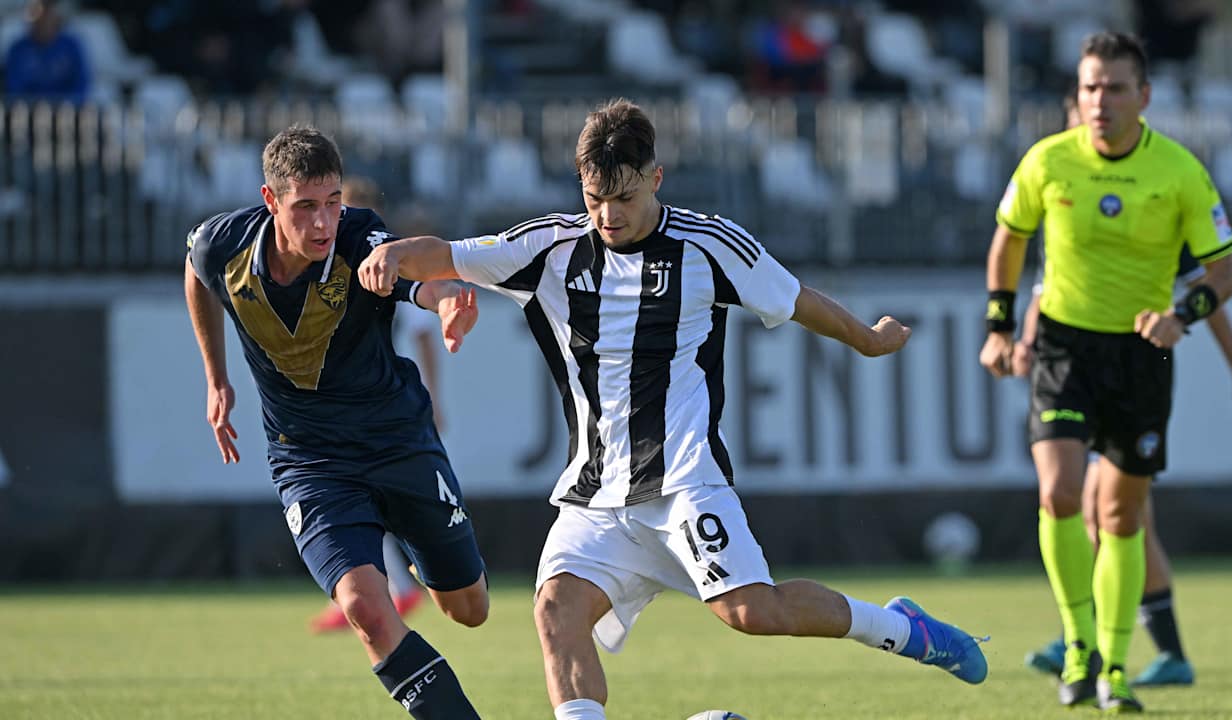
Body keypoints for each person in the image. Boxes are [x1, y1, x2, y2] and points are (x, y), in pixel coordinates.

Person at [357, 98, 989, 720]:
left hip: (684, 482)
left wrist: (868, 339)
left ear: (656, 179)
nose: (607, 214)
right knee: (555, 610)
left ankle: (901, 629)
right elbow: (449, 254)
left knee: (753, 612)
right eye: (594, 197)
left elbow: (797, 300)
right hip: (595, 494)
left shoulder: (709, 245)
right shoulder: (548, 249)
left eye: (625, 198)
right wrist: (390, 253)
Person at [185, 125, 488, 719]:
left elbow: (412, 278)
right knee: (366, 609)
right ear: (270, 201)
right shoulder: (224, 244)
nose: (323, 223)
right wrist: (215, 377)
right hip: (310, 459)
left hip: (397, 441)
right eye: (305, 207)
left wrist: (448, 297)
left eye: (331, 203)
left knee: (467, 608)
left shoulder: (358, 238)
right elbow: (197, 272)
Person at [980, 32, 1232, 712]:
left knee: (1122, 518)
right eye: (1091, 87)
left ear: (1144, 97)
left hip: (1140, 357)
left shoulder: (1180, 170)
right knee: (1061, 493)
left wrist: (1184, 315)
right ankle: (1077, 643)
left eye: (1115, 88)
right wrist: (1001, 326)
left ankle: (1117, 669)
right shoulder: (1047, 160)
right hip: (1065, 350)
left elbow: (1223, 271)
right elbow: (1009, 239)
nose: (1100, 101)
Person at [1017, 95, 1232, 688]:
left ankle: (1140, 646)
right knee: (1098, 511)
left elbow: (1209, 294)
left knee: (1120, 516)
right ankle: (1095, 638)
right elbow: (1041, 290)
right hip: (1077, 365)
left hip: (1134, 370)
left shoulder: (1156, 197)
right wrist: (1025, 340)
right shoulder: (1062, 198)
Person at [305, 175, 427, 634]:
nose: (329, 222)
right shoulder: (322, 270)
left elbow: (421, 333)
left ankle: (393, 583)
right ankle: (373, 585)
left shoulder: (385, 265)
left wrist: (432, 397)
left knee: (374, 497)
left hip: (385, 407)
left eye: (340, 208)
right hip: (349, 410)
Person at [4, 0, 90, 106]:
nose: (43, 23)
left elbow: (81, 85)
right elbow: (13, 88)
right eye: (39, 20)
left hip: (67, 110)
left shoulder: (72, 46)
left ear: (57, 21)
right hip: (27, 111)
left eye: (47, 18)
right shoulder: (18, 49)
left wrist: (67, 105)